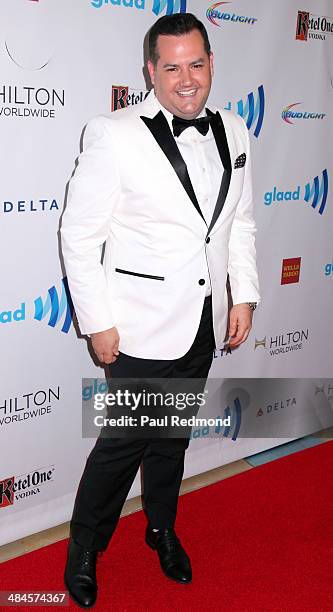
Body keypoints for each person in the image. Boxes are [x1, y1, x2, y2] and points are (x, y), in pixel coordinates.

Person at [61, 12, 260, 608]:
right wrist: (97, 322)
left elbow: (240, 222)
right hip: (138, 326)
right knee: (122, 446)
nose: (186, 79)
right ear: (150, 70)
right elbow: (78, 233)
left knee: (172, 439)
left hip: (202, 317)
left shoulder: (236, 130)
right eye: (171, 67)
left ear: (211, 63)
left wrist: (243, 293)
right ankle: (85, 548)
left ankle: (161, 529)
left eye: (196, 64)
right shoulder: (113, 132)